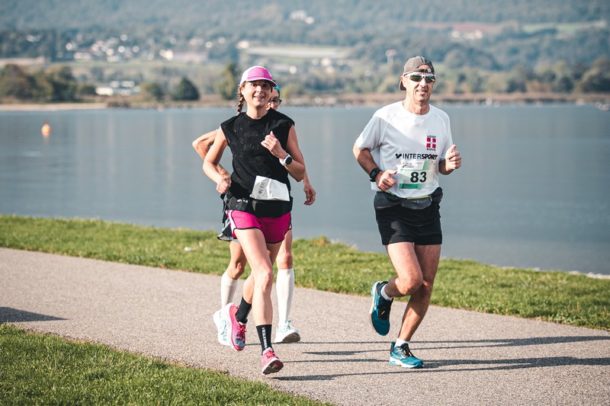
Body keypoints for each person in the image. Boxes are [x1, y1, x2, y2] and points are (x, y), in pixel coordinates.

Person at [352, 56, 462, 369]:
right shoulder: (385, 117)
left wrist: (448, 166)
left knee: (426, 284)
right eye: (416, 78)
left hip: (428, 204)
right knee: (411, 280)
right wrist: (376, 175)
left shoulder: (441, 119)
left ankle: (400, 345)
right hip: (393, 205)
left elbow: (440, 164)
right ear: (404, 81)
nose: (422, 85)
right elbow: (359, 149)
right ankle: (384, 292)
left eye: (429, 79)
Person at [203, 66, 308, 375]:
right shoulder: (230, 126)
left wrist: (281, 155)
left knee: (260, 277)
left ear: (272, 92)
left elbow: (299, 172)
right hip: (242, 205)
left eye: (265, 86)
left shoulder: (283, 125)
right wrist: (219, 179)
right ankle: (266, 351)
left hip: (277, 207)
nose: (260, 90)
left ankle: (237, 315)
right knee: (264, 273)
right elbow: (209, 161)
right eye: (254, 85)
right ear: (243, 90)